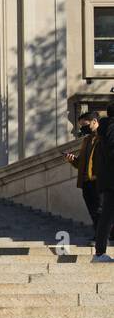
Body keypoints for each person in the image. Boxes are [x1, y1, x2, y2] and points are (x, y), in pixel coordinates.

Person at [65, 111, 104, 228]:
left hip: (99, 181)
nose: (83, 128)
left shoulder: (105, 138)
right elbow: (82, 164)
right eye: (81, 126)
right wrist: (72, 159)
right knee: (93, 210)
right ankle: (99, 234)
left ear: (94, 121)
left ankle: (102, 236)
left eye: (85, 125)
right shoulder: (86, 141)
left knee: (100, 210)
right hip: (86, 182)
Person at [91, 109, 114, 262]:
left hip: (107, 180)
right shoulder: (112, 128)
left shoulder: (102, 131)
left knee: (106, 216)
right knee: (106, 216)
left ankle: (100, 252)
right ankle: (99, 253)